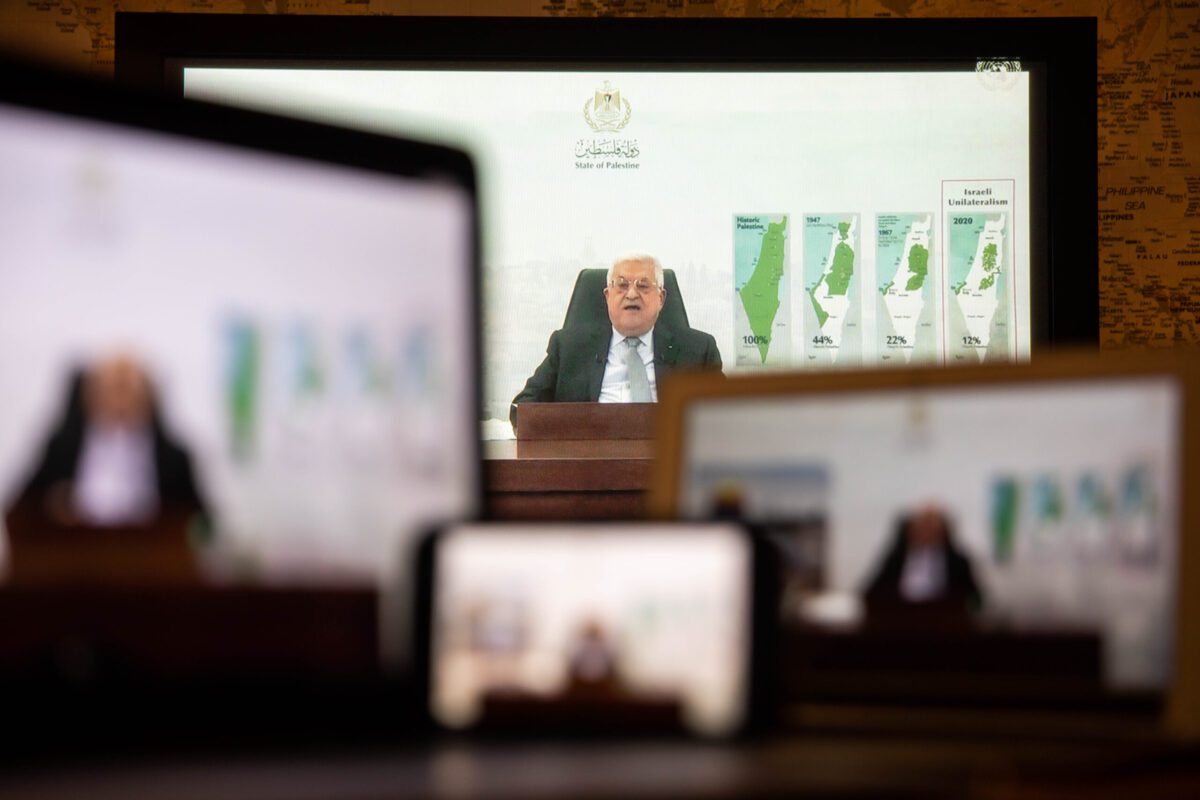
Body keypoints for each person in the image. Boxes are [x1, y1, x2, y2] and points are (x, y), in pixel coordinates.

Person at [510, 254, 722, 425]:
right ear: (607, 296)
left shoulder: (698, 351)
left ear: (661, 298)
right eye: (621, 285)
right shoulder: (568, 348)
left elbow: (727, 416)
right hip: (585, 469)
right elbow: (522, 409)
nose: (631, 294)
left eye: (643, 286)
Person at [7, 354, 208, 530]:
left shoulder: (173, 458)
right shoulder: (62, 449)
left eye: (128, 389)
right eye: (112, 389)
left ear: (148, 397)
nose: (120, 400)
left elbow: (201, 520)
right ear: (90, 394)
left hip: (152, 562)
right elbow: (20, 510)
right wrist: (52, 505)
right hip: (75, 559)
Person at [863, 504, 984, 613]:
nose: (927, 531)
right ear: (911, 530)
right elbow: (870, 593)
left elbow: (976, 598)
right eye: (922, 525)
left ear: (943, 531)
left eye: (932, 526)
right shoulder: (895, 559)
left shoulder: (958, 562)